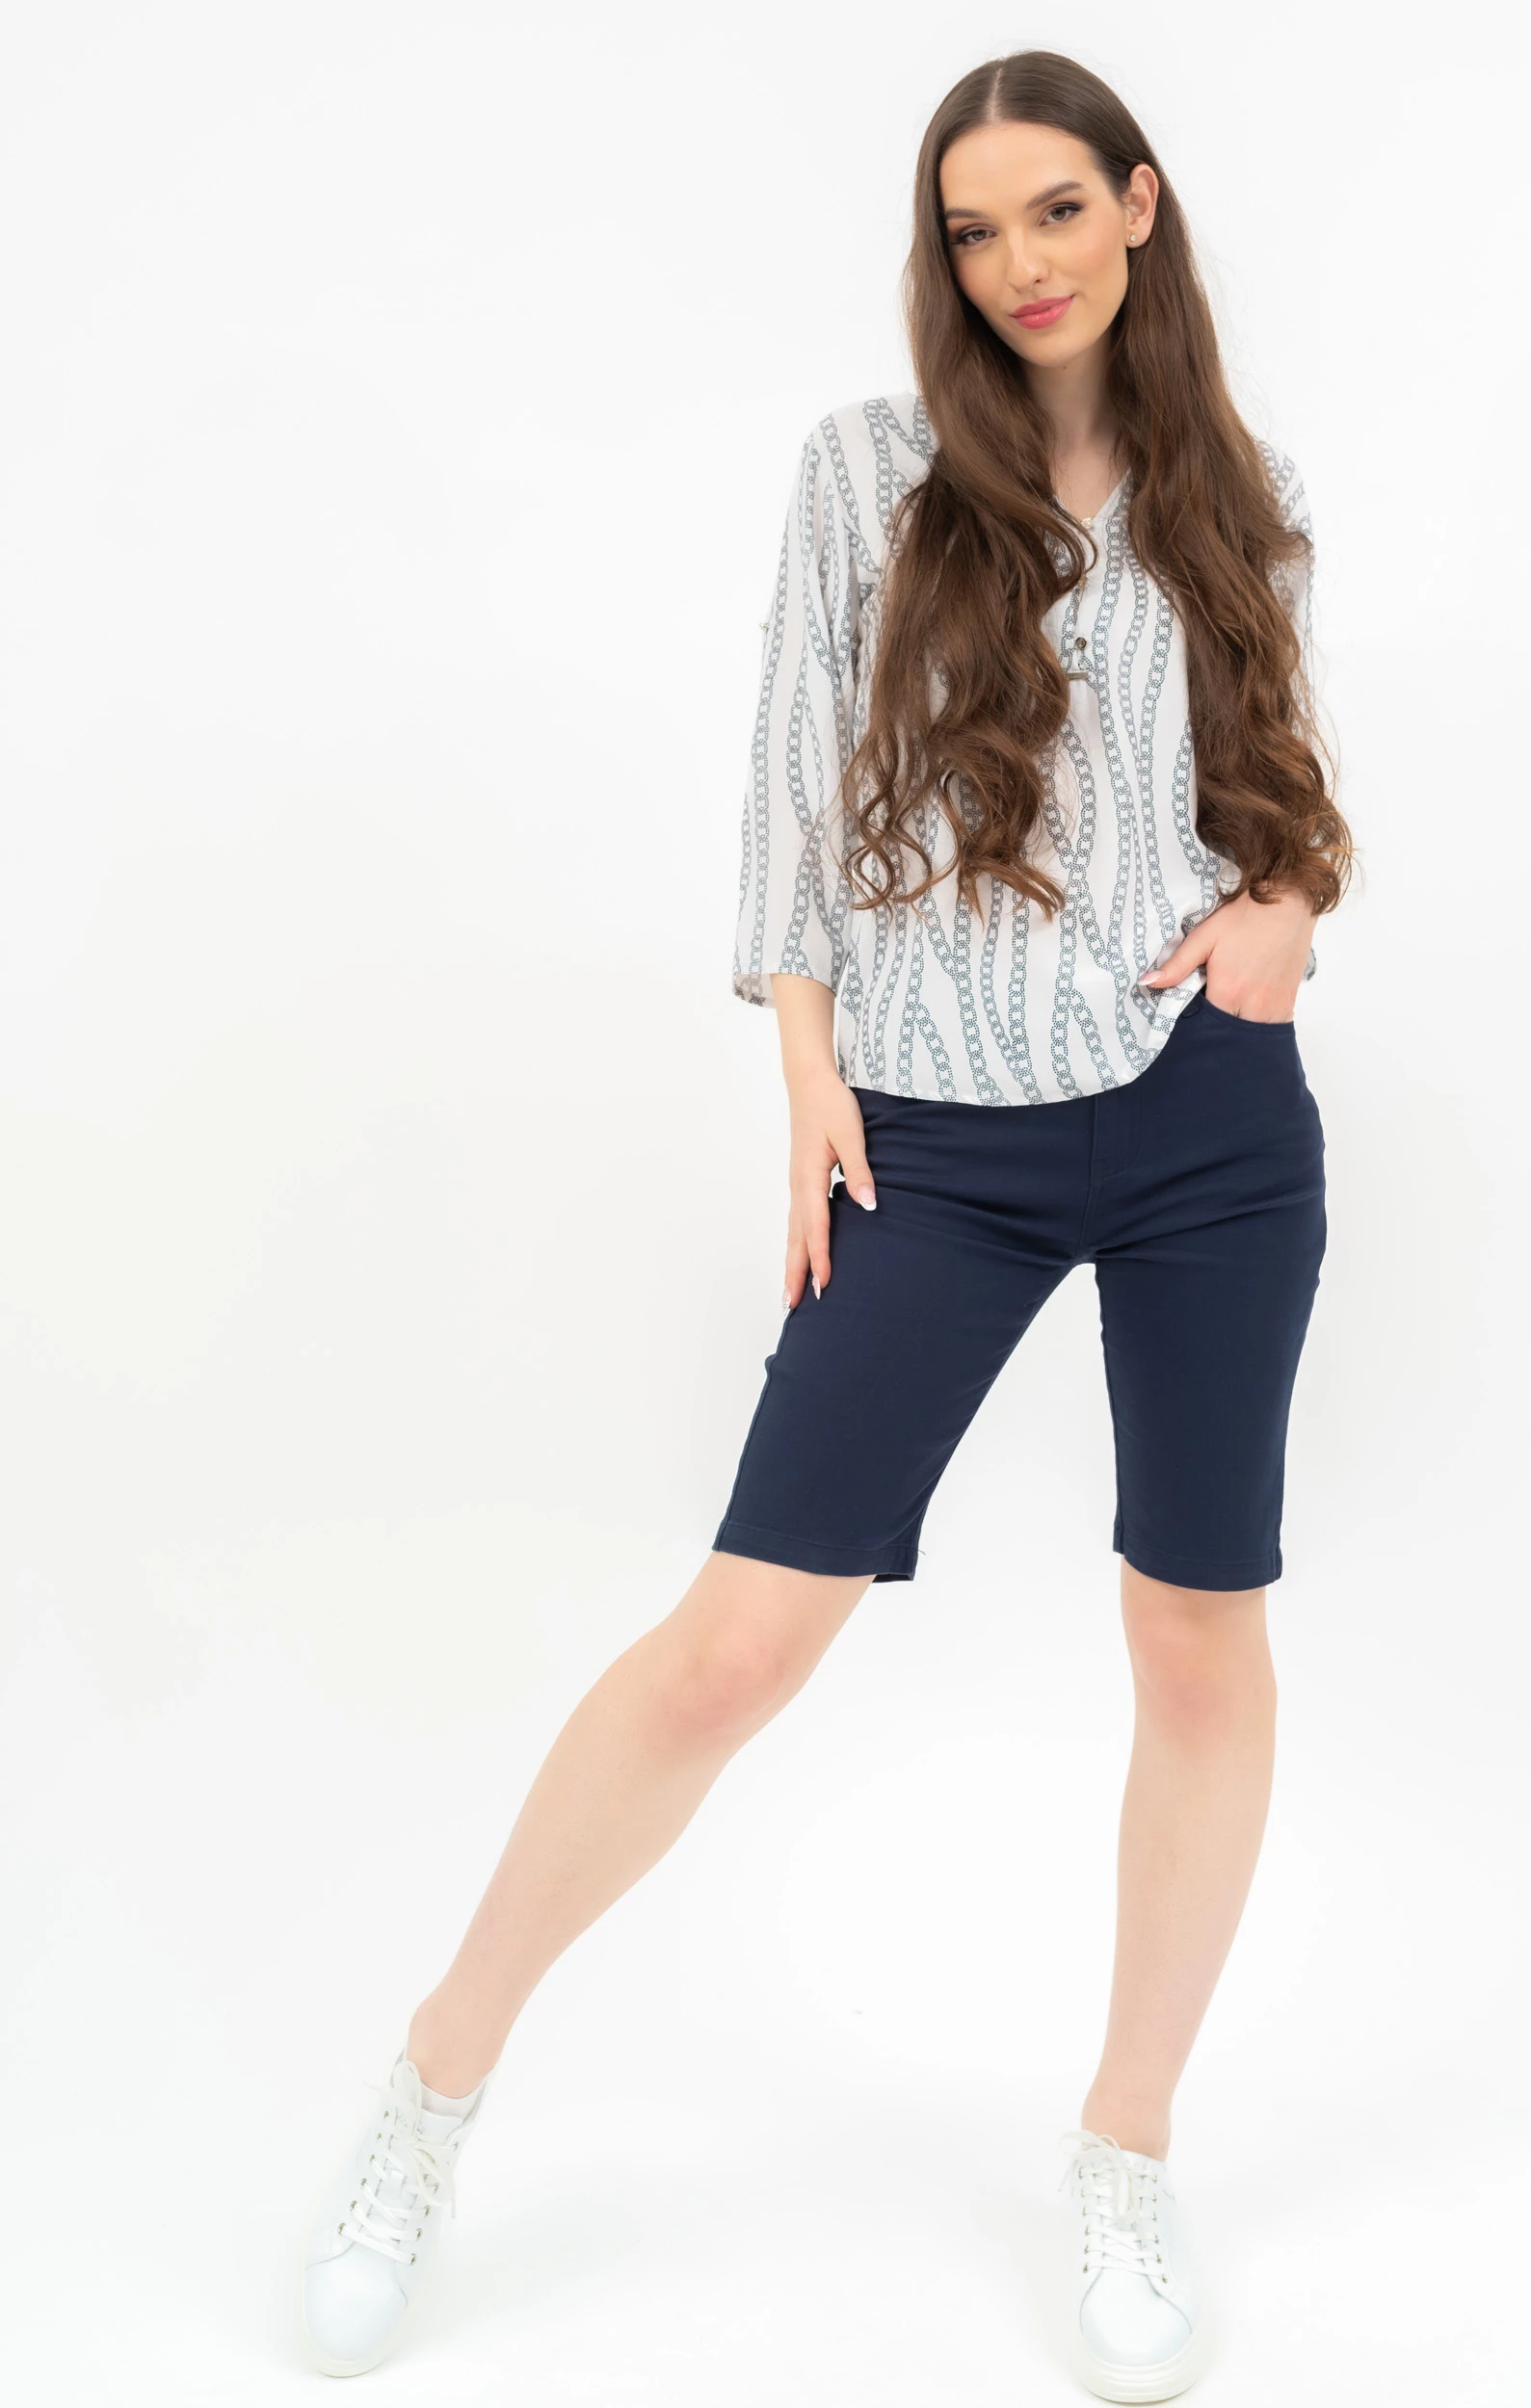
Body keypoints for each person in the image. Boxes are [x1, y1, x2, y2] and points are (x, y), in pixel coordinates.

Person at [297, 46, 1353, 2403]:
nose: (1022, 262)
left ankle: (1127, 2143)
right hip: (935, 1137)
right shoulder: (867, 470)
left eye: (1058, 208)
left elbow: (1284, 782)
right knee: (736, 1645)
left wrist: (1285, 914)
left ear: (1142, 206)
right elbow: (794, 784)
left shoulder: (1240, 488)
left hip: (1206, 1120)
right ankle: (432, 2085)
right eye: (977, 228)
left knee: (1200, 1639)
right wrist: (806, 1079)